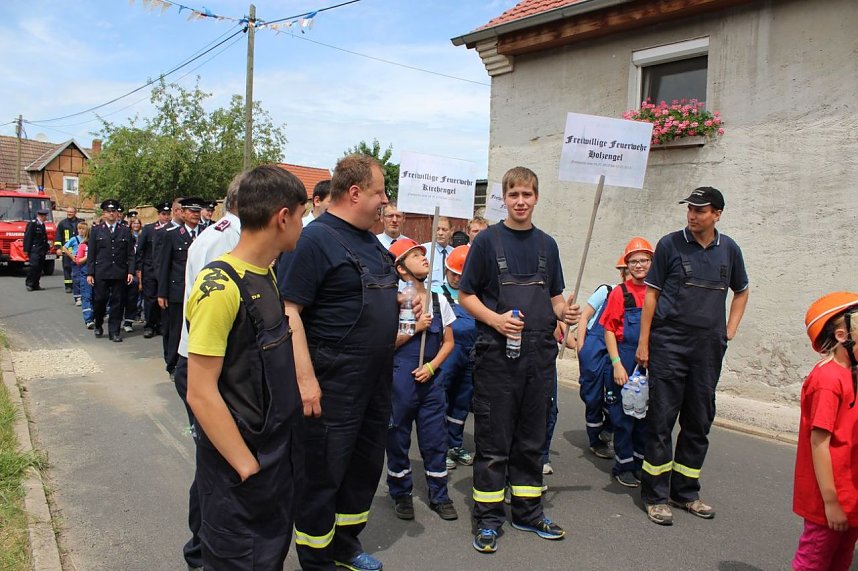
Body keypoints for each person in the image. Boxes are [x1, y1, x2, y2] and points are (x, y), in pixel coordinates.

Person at [279, 154, 401, 571]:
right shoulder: (314, 240)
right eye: (380, 191)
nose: (385, 200)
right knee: (323, 473)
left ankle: (345, 543)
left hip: (374, 381)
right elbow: (289, 311)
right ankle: (316, 559)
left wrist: (402, 298)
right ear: (354, 193)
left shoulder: (369, 239)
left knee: (364, 466)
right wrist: (306, 380)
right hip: (333, 382)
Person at [185, 165, 307, 570]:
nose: (303, 226)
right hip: (242, 476)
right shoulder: (219, 287)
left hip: (273, 463)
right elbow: (200, 391)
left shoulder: (266, 274)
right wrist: (246, 465)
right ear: (283, 217)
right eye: (302, 216)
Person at [459, 166, 581, 553]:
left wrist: (566, 313)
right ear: (504, 198)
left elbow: (556, 297)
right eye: (514, 195)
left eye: (527, 195)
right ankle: (489, 520)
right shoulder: (487, 242)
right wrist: (495, 320)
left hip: (539, 357)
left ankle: (528, 513)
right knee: (494, 442)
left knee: (531, 440)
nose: (521, 201)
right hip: (496, 355)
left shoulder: (548, 245)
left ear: (537, 197)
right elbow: (467, 295)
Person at [636, 186, 749, 526]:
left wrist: (730, 329)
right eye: (690, 209)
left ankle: (685, 492)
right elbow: (651, 296)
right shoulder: (670, 244)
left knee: (699, 421)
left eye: (701, 210)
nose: (693, 215)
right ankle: (655, 496)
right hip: (669, 343)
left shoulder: (729, 250)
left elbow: (741, 291)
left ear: (717, 214)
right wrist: (645, 342)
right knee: (661, 421)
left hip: (708, 348)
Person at [172, 176, 242, 571]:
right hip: (206, 364)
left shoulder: (225, 233)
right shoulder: (222, 238)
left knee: (217, 463)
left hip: (217, 362)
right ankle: (199, 550)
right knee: (213, 463)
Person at [386, 238, 458, 522]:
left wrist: (432, 366)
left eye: (423, 254)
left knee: (435, 437)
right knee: (397, 435)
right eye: (415, 255)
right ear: (402, 269)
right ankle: (401, 492)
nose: (424, 258)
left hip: (431, 378)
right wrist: (416, 328)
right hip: (400, 378)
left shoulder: (439, 299)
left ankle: (439, 494)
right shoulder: (394, 299)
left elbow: (449, 342)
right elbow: (385, 344)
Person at [792, 292, 858, 571]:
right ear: (844, 336)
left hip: (850, 495)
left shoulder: (851, 373)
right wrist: (831, 503)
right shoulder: (828, 380)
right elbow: (819, 443)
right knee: (815, 561)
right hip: (828, 500)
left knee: (840, 561)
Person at [602, 237, 654, 488]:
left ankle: (639, 464)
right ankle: (622, 465)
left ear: (652, 262)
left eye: (644, 260)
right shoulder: (619, 293)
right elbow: (609, 330)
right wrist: (616, 364)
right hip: (625, 356)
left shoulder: (658, 291)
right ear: (627, 264)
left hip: (651, 361)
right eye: (634, 261)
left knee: (645, 416)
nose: (639, 265)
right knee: (623, 416)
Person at [574, 255, 628, 460]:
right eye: (627, 270)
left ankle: (609, 426)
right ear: (622, 272)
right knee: (592, 395)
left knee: (617, 395)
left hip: (617, 349)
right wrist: (581, 346)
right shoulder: (607, 291)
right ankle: (595, 439)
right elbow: (585, 317)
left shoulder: (639, 295)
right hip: (595, 346)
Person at [438, 245, 477, 471]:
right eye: (453, 273)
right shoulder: (438, 294)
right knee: (441, 401)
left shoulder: (474, 298)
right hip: (447, 355)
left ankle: (455, 444)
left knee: (462, 403)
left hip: (471, 356)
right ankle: (439, 447)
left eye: (461, 275)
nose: (456, 278)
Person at [159, 197, 204, 376]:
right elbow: (164, 265)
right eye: (191, 211)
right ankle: (173, 365)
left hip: (199, 290)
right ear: (182, 213)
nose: (195, 214)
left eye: (197, 211)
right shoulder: (171, 235)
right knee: (176, 329)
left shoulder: (206, 233)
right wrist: (162, 293)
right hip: (177, 290)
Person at [87, 200, 134, 342]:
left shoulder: (124, 230)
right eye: (109, 211)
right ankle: (99, 322)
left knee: (117, 302)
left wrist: (130, 271)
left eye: (114, 211)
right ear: (104, 213)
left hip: (119, 272)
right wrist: (90, 273)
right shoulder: (96, 230)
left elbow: (130, 253)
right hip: (101, 271)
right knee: (100, 300)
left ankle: (114, 331)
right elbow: (92, 254)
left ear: (117, 214)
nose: (112, 214)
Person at [136, 201, 172, 338]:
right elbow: (140, 250)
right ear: (158, 215)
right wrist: (139, 269)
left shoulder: (172, 229)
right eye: (164, 214)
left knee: (163, 299)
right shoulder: (149, 229)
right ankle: (150, 325)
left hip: (165, 270)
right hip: (150, 270)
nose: (166, 217)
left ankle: (162, 325)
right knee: (150, 299)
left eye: (168, 214)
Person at [123, 217, 144, 332]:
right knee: (120, 298)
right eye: (134, 223)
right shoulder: (127, 236)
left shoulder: (141, 237)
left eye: (138, 223)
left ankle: (128, 321)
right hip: (122, 271)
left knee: (132, 298)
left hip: (135, 270)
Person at [55, 206, 83, 293]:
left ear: (75, 212)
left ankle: (78, 284)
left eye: (71, 212)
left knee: (79, 267)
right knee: (67, 267)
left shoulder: (80, 222)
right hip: (66, 250)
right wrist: (58, 248)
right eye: (68, 212)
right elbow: (58, 236)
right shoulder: (62, 223)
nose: (69, 213)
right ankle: (68, 286)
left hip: (78, 249)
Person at [422, 216, 453, 293]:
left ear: (451, 231)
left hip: (451, 297)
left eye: (444, 230)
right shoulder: (423, 251)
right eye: (437, 229)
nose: (440, 233)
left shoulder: (454, 253)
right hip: (429, 296)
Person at [23, 208, 51, 292]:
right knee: (34, 266)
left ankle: (36, 284)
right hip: (34, 249)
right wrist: (26, 249)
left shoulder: (42, 224)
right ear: (41, 216)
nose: (46, 218)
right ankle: (29, 284)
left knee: (39, 267)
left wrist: (47, 248)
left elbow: (44, 238)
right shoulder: (32, 224)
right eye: (45, 216)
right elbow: (28, 237)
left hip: (41, 249)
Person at [62, 220, 88, 305]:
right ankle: (77, 297)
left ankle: (85, 296)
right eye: (79, 229)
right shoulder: (74, 239)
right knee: (76, 278)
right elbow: (64, 248)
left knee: (84, 279)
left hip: (85, 261)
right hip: (76, 262)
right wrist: (72, 257)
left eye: (83, 229)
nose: (81, 230)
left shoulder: (87, 239)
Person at [75, 224, 94, 328]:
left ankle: (95, 315)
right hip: (85, 274)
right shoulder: (83, 245)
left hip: (97, 274)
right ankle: (88, 319)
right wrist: (88, 256)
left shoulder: (97, 246)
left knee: (96, 297)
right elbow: (78, 261)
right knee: (87, 296)